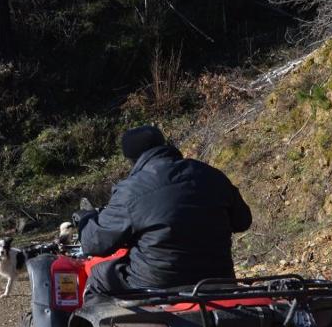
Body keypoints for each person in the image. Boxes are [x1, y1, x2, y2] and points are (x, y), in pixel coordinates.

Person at [74, 125, 251, 299]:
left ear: (130, 158)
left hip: (157, 284)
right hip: (219, 281)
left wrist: (86, 218)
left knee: (98, 275)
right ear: (163, 144)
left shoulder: (132, 190)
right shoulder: (212, 175)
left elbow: (95, 243)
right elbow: (243, 221)